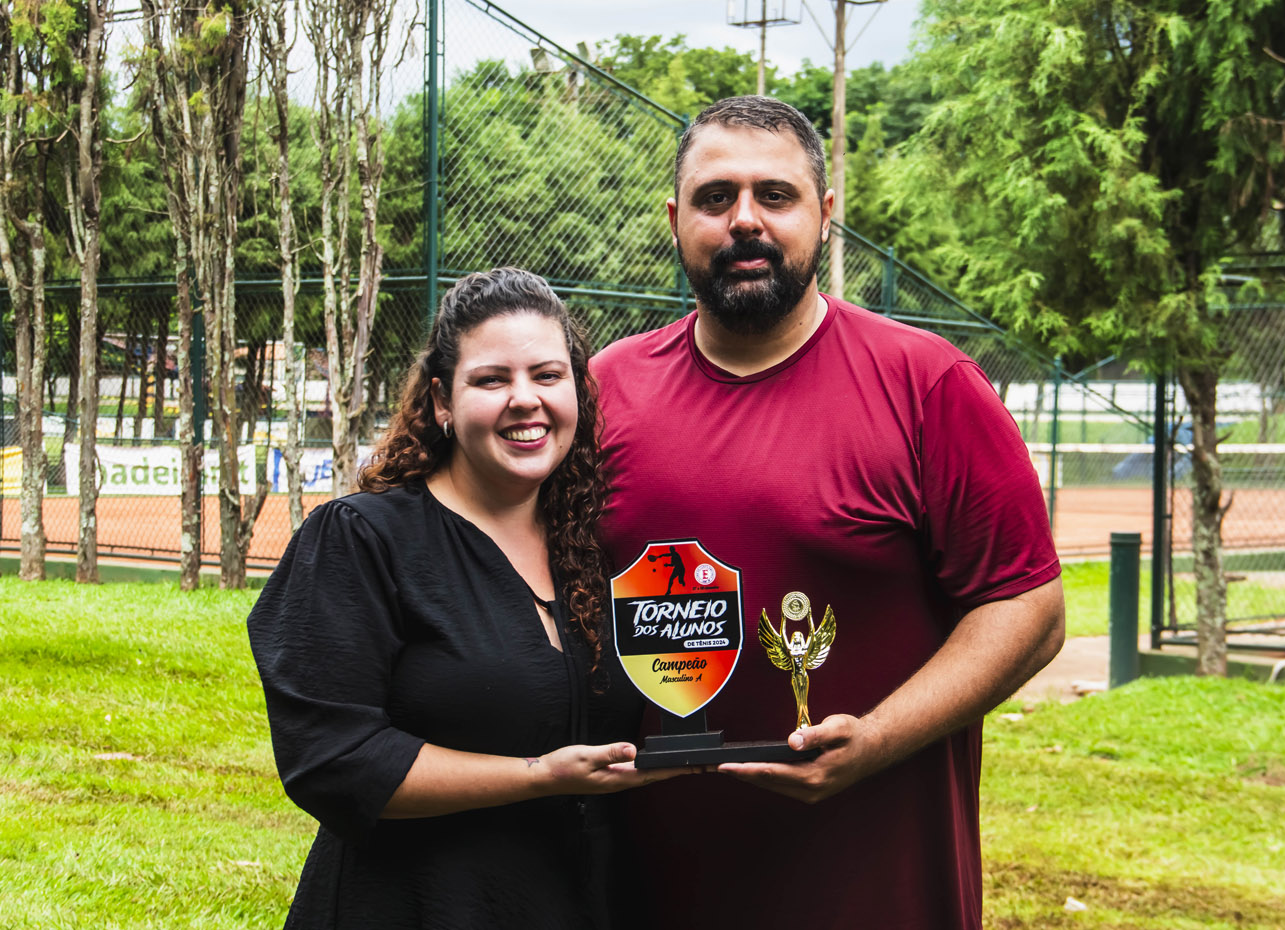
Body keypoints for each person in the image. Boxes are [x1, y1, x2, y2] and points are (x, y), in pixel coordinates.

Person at [593, 96, 1066, 929]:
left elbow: (1028, 609)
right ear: (674, 220)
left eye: (775, 195)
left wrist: (876, 738)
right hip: (650, 891)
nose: (744, 220)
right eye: (714, 197)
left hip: (879, 892)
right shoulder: (604, 391)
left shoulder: (929, 386)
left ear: (825, 213)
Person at [247, 268, 688, 930]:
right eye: (491, 380)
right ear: (441, 401)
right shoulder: (362, 539)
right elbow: (331, 761)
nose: (525, 400)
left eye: (547, 375)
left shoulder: (598, 551)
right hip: (411, 908)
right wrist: (539, 775)